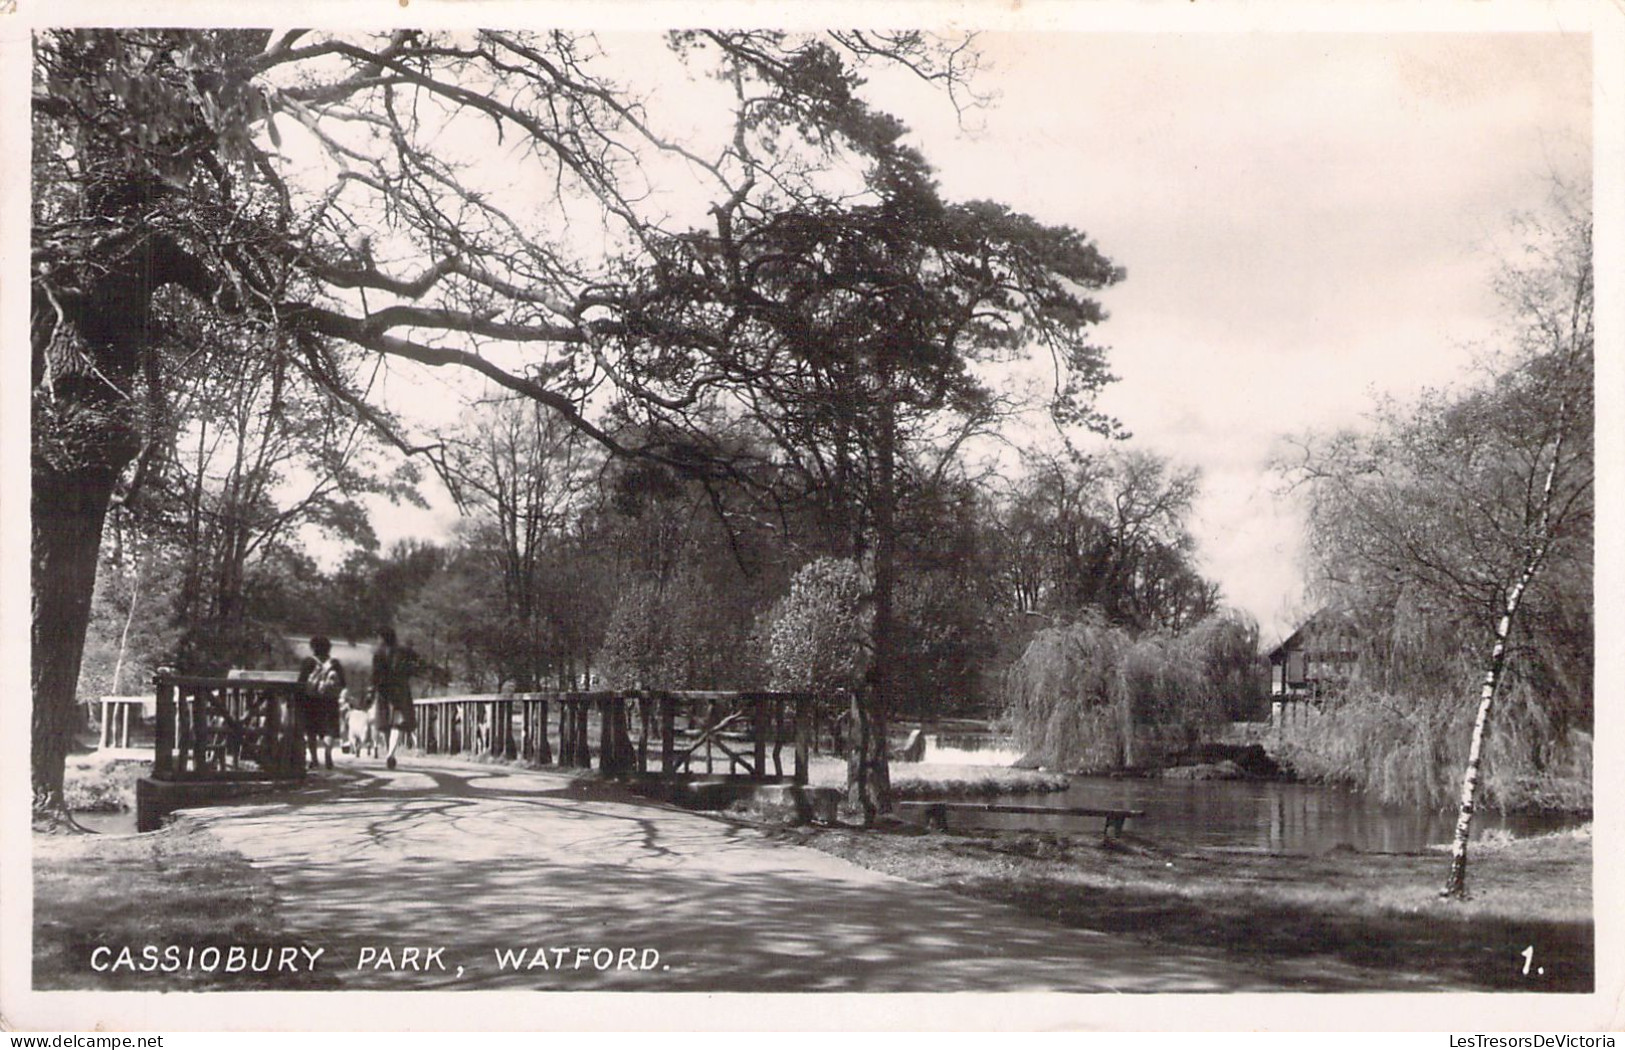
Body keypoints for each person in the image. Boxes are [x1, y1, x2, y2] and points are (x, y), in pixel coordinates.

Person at [371, 626, 418, 770]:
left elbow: (374, 675)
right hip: (400, 691)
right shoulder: (405, 652)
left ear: (382, 638)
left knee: (385, 724)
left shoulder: (379, 654)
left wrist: (372, 689)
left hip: (384, 692)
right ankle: (390, 753)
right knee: (397, 723)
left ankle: (389, 751)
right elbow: (417, 665)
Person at [296, 636, 345, 771]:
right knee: (330, 730)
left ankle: (314, 759)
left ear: (313, 648)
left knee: (311, 731)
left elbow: (301, 682)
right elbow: (343, 683)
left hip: (311, 701)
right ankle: (328, 754)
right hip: (330, 701)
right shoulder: (335, 663)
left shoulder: (308, 662)